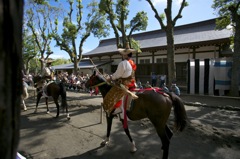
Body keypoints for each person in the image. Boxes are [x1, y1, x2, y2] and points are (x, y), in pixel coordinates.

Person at [106, 42, 137, 115]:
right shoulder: (132, 62)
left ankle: (118, 109)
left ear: (126, 54)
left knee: (112, 94)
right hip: (131, 83)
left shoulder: (123, 63)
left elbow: (117, 75)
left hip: (124, 84)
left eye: (123, 53)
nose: (122, 55)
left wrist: (110, 78)